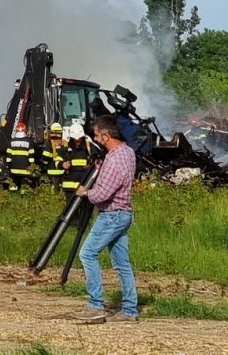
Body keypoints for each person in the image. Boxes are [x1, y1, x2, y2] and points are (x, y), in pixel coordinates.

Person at [73, 116, 138, 324]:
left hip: (111, 215)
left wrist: (85, 192)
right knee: (122, 264)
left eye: (97, 135)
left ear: (106, 136)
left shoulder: (114, 159)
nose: (95, 138)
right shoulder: (128, 152)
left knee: (87, 254)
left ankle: (95, 306)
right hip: (125, 213)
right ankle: (129, 310)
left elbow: (102, 194)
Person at [60, 123, 92, 199]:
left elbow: (95, 161)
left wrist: (89, 166)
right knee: (70, 207)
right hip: (69, 185)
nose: (77, 140)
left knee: (84, 208)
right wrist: (62, 164)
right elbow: (58, 160)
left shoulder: (88, 145)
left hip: (84, 183)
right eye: (75, 139)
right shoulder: (66, 146)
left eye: (79, 138)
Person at [4, 122, 35, 191]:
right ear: (25, 130)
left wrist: (8, 167)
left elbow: (8, 158)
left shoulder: (11, 142)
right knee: (24, 189)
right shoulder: (29, 142)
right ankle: (24, 200)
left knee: (13, 188)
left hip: (14, 171)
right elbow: (31, 158)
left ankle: (13, 199)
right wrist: (32, 166)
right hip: (25, 171)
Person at [39, 123, 67, 189]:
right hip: (62, 171)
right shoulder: (64, 143)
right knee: (61, 188)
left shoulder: (49, 144)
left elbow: (45, 158)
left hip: (52, 171)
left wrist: (45, 164)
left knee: (54, 188)